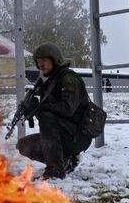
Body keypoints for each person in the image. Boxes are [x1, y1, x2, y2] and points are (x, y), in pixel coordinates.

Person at [16, 43, 92, 180]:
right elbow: (49, 120)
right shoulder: (49, 81)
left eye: (44, 61)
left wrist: (40, 108)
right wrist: (30, 109)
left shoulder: (69, 78)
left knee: (46, 115)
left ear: (55, 60)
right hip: (63, 134)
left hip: (78, 135)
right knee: (23, 145)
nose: (41, 65)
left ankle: (55, 171)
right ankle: (65, 160)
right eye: (39, 62)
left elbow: (67, 109)